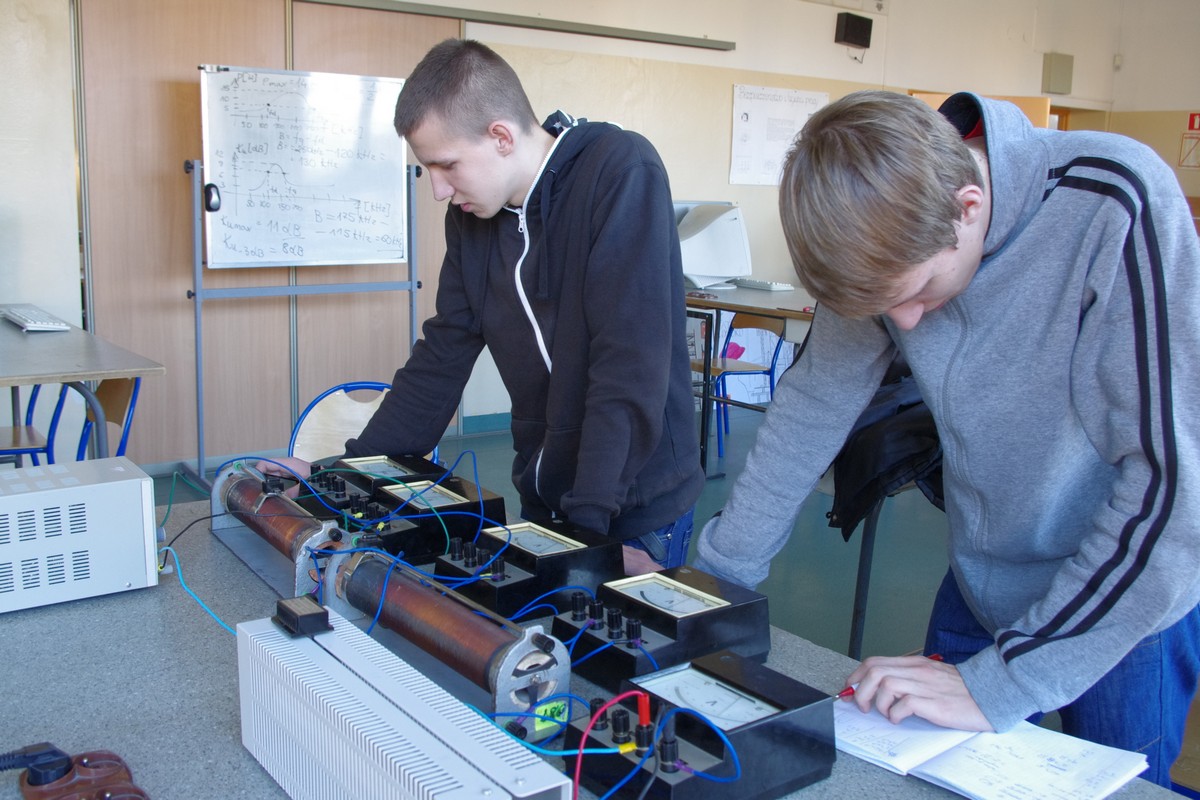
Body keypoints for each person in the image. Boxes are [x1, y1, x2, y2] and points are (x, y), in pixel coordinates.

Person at [693, 89, 1200, 786]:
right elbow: (813, 405)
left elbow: (1178, 491)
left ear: (968, 207)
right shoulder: (879, 224)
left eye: (919, 291)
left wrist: (1002, 683)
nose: (905, 324)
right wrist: (714, 586)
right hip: (981, 576)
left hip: (1122, 599)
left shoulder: (1116, 203)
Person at [262, 39, 703, 571]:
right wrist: (342, 476)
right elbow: (441, 358)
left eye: (446, 165)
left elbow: (627, 369)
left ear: (500, 136)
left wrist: (586, 537)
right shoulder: (472, 220)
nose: (438, 190)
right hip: (549, 504)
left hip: (630, 510)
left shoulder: (619, 171)